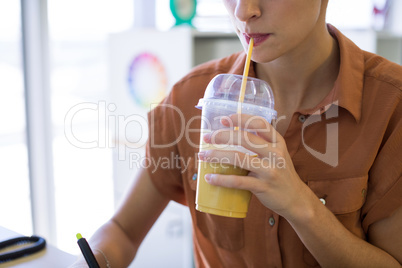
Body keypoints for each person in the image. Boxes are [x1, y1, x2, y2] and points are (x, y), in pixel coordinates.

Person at [71, 0, 402, 267]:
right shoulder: (189, 98)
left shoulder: (392, 107)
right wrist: (93, 260)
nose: (244, 12)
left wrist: (300, 205)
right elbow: (123, 231)